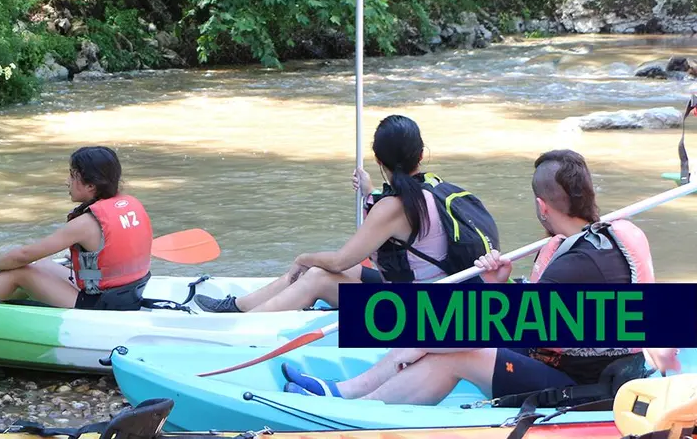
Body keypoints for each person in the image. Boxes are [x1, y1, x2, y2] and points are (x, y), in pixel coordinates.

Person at [281, 149, 680, 405]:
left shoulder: (574, 264)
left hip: (578, 383)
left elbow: (525, 330)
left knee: (456, 343)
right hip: (569, 359)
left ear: (543, 206)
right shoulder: (600, 240)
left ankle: (353, 406)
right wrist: (499, 288)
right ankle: (346, 393)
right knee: (440, 323)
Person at [195, 115, 495, 313]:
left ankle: (241, 326)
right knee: (342, 273)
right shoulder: (433, 186)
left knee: (317, 277)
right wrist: (369, 194)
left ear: (378, 159)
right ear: (421, 154)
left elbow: (340, 260)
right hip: (442, 298)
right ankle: (240, 306)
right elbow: (402, 231)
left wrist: (303, 257)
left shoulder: (393, 207)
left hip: (421, 314)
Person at [0, 146, 154, 310]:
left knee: (20, 270)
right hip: (127, 295)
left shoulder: (84, 224)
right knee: (39, 264)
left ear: (91, 186)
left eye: (72, 175)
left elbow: (23, 255)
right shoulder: (130, 204)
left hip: (99, 305)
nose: (66, 182)